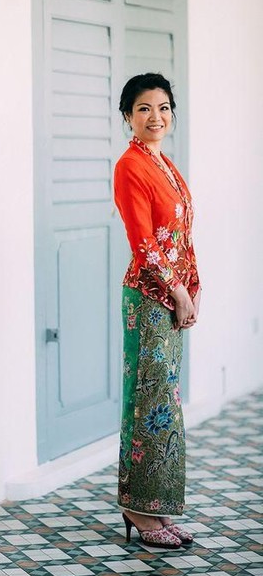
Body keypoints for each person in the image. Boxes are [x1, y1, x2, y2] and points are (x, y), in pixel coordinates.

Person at [114, 72, 201, 550]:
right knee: (149, 403)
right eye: (144, 108)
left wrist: (194, 286)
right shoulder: (130, 166)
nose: (156, 117)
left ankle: (157, 508)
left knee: (165, 401)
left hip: (171, 296)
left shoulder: (164, 163)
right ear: (128, 115)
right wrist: (178, 292)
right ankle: (139, 509)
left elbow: (182, 234)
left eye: (163, 107)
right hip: (149, 300)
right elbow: (144, 244)